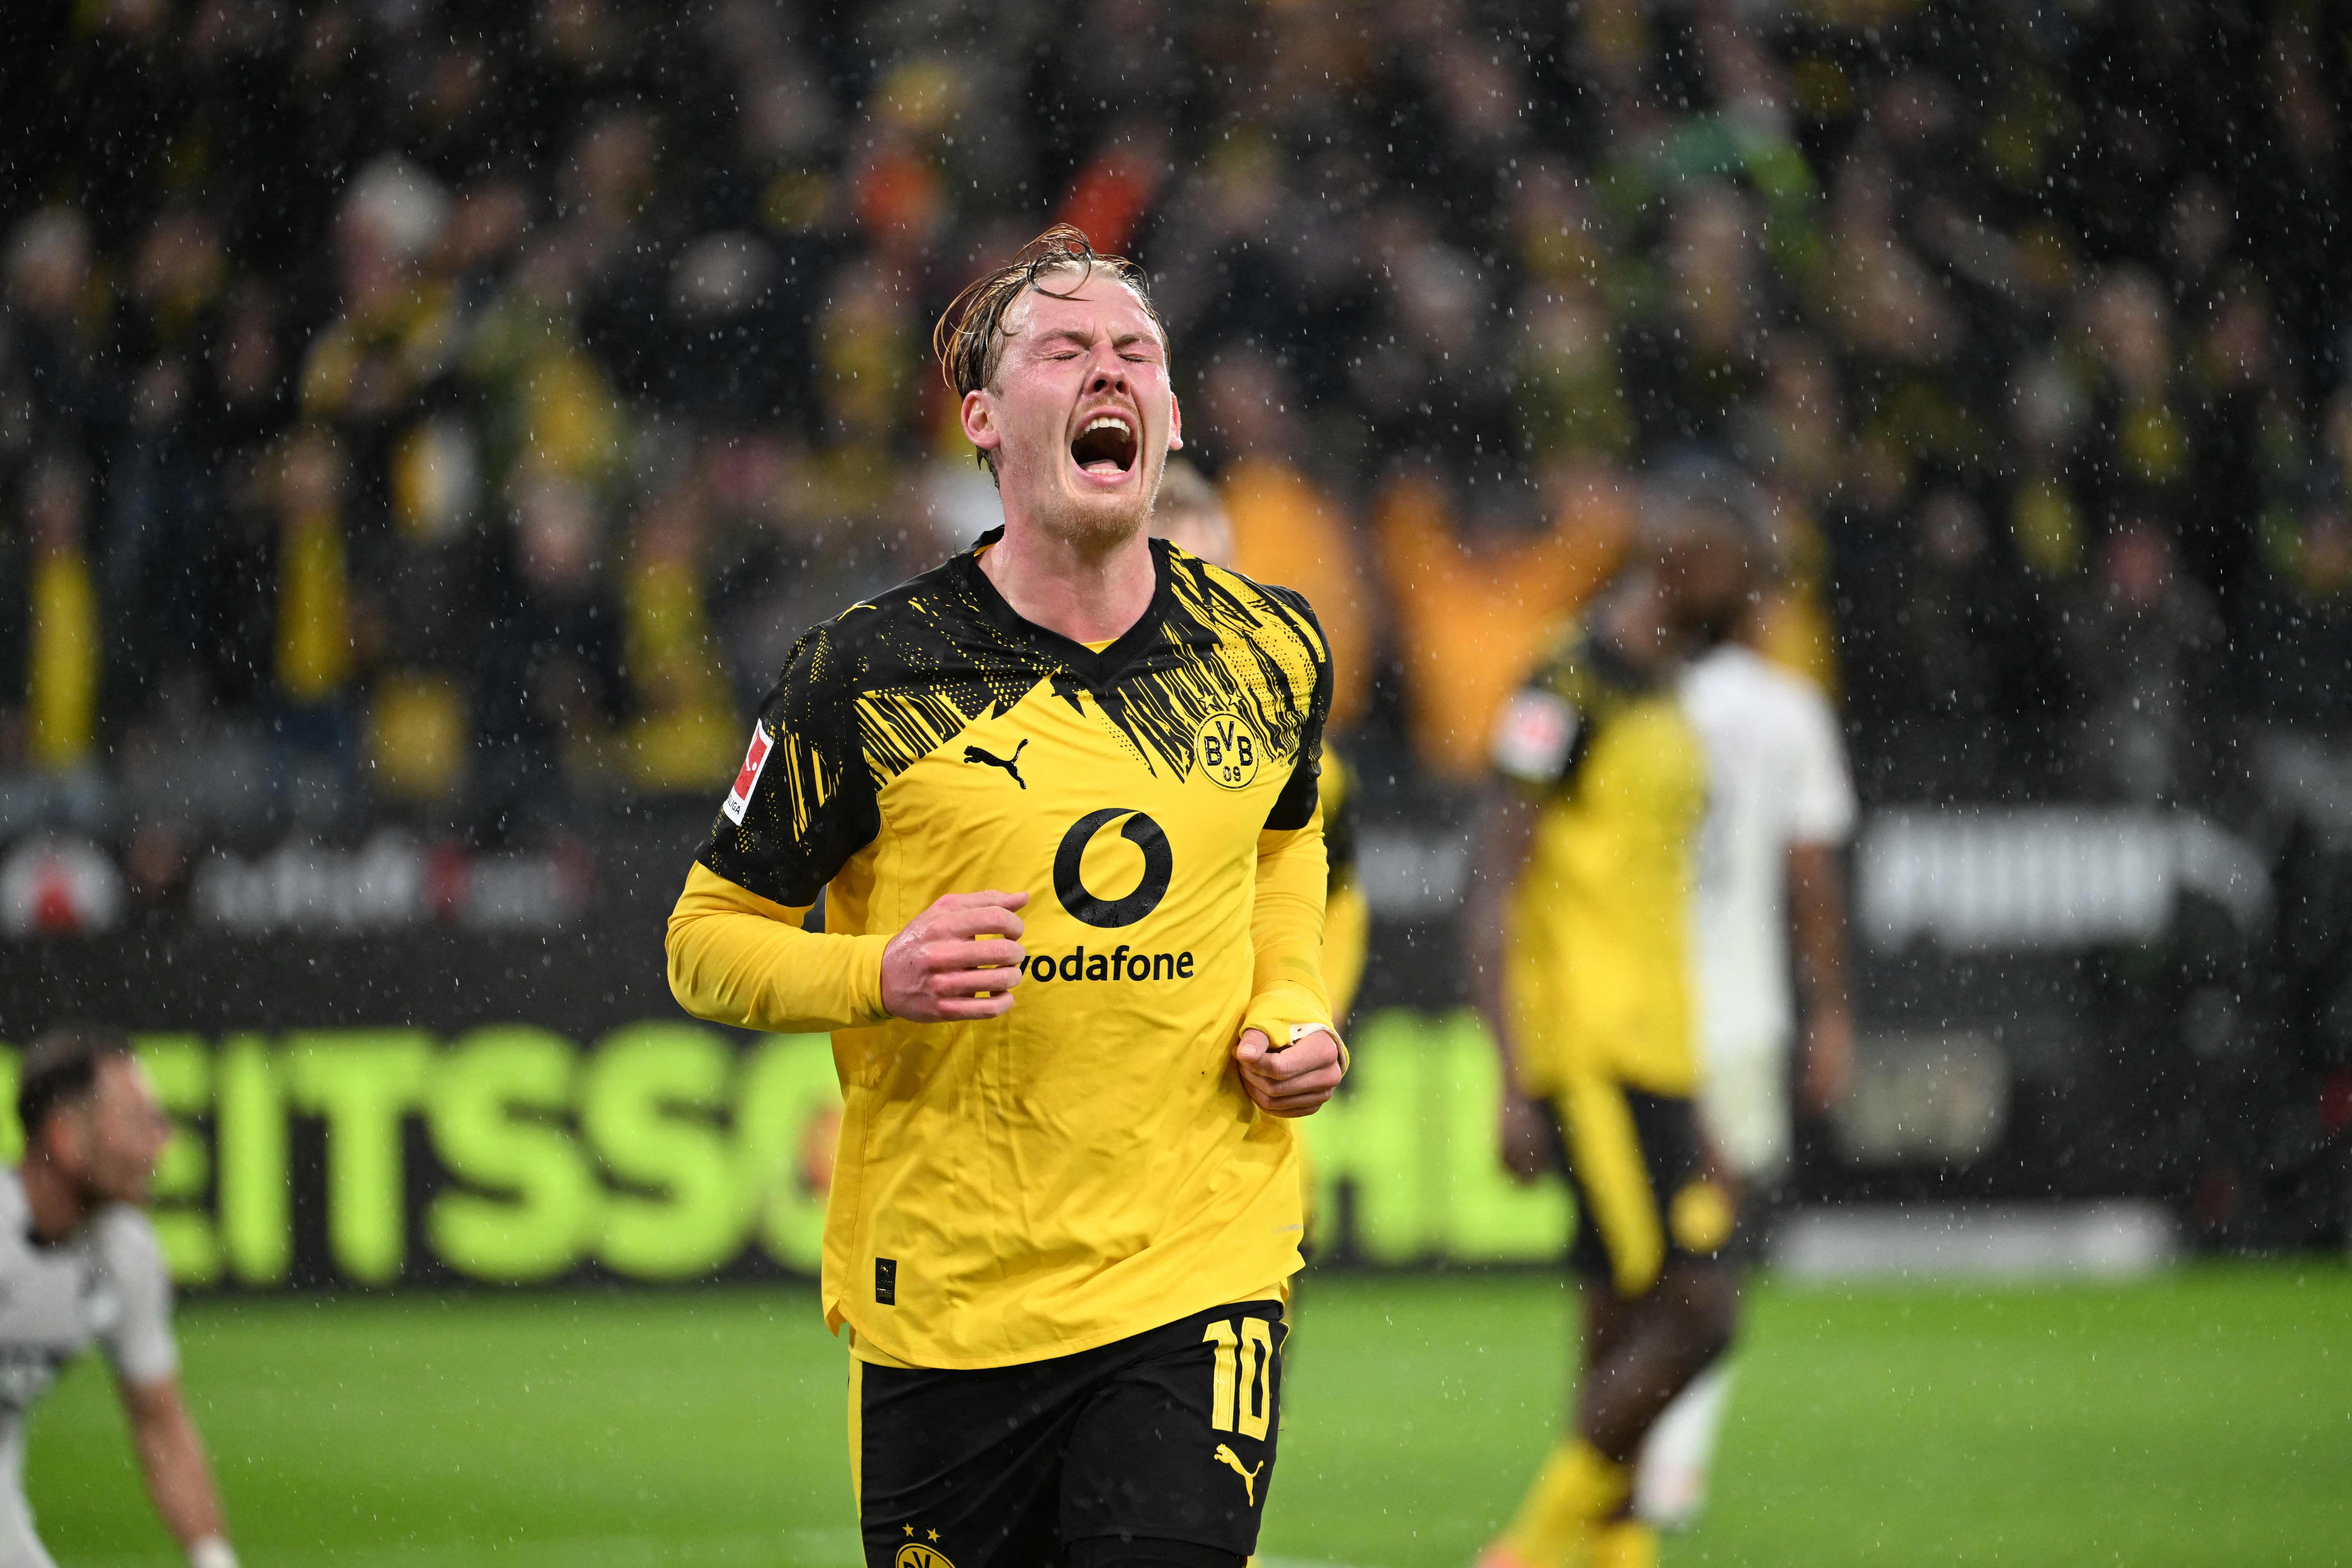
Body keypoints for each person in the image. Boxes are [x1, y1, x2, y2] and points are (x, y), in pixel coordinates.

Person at [665, 225, 1344, 1568]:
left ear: (1167, 413)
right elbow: (703, 942)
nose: (1110, 368)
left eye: (1136, 350)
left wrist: (1290, 996)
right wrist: (878, 973)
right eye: (1066, 349)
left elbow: (1284, 840)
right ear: (982, 419)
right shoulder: (864, 675)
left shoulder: (1271, 645)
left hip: (1199, 1263)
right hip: (950, 1293)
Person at [1465, 458, 1762, 1568]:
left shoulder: (1665, 688)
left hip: (1663, 1054)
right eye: (1743, 577)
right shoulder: (1569, 688)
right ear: (1677, 565)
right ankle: (1535, 1548)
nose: (1756, 602)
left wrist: (1705, 1104)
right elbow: (1493, 881)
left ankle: (1615, 1545)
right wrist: (1512, 1075)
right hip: (1591, 1052)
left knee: (1619, 1318)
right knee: (1698, 1315)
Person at [1632, 549, 1858, 1530]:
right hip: (1740, 1019)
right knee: (1716, 1253)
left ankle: (1634, 1456)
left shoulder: (1640, 696)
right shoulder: (1786, 711)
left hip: (1636, 1013)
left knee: (1646, 1255)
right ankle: (1666, 1465)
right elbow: (1808, 874)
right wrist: (1833, 1010)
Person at [3, 1028, 238, 1568]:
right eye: (138, 1122)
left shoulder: (125, 1252)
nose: (162, 1143)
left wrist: (214, 1560)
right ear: (64, 1136)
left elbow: (159, 1422)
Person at [1149, 457, 1369, 1028]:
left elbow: (1338, 893)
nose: (1195, 607)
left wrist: (1313, 1000)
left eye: (1214, 578)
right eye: (1171, 583)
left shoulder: (1292, 749)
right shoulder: (1065, 730)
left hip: (1245, 1071)